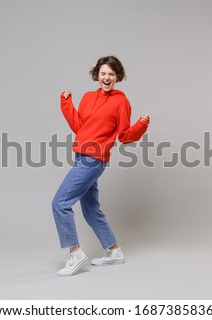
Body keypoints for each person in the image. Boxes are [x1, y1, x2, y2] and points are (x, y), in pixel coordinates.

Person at [52, 56, 150, 276]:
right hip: (80, 155)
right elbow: (79, 126)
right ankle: (115, 251)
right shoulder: (87, 97)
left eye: (112, 75)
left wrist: (141, 126)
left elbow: (124, 136)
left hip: (94, 160)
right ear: (96, 75)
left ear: (118, 77)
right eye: (103, 73)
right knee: (90, 209)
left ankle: (75, 253)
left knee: (60, 203)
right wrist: (67, 104)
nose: (107, 78)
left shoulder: (121, 102)